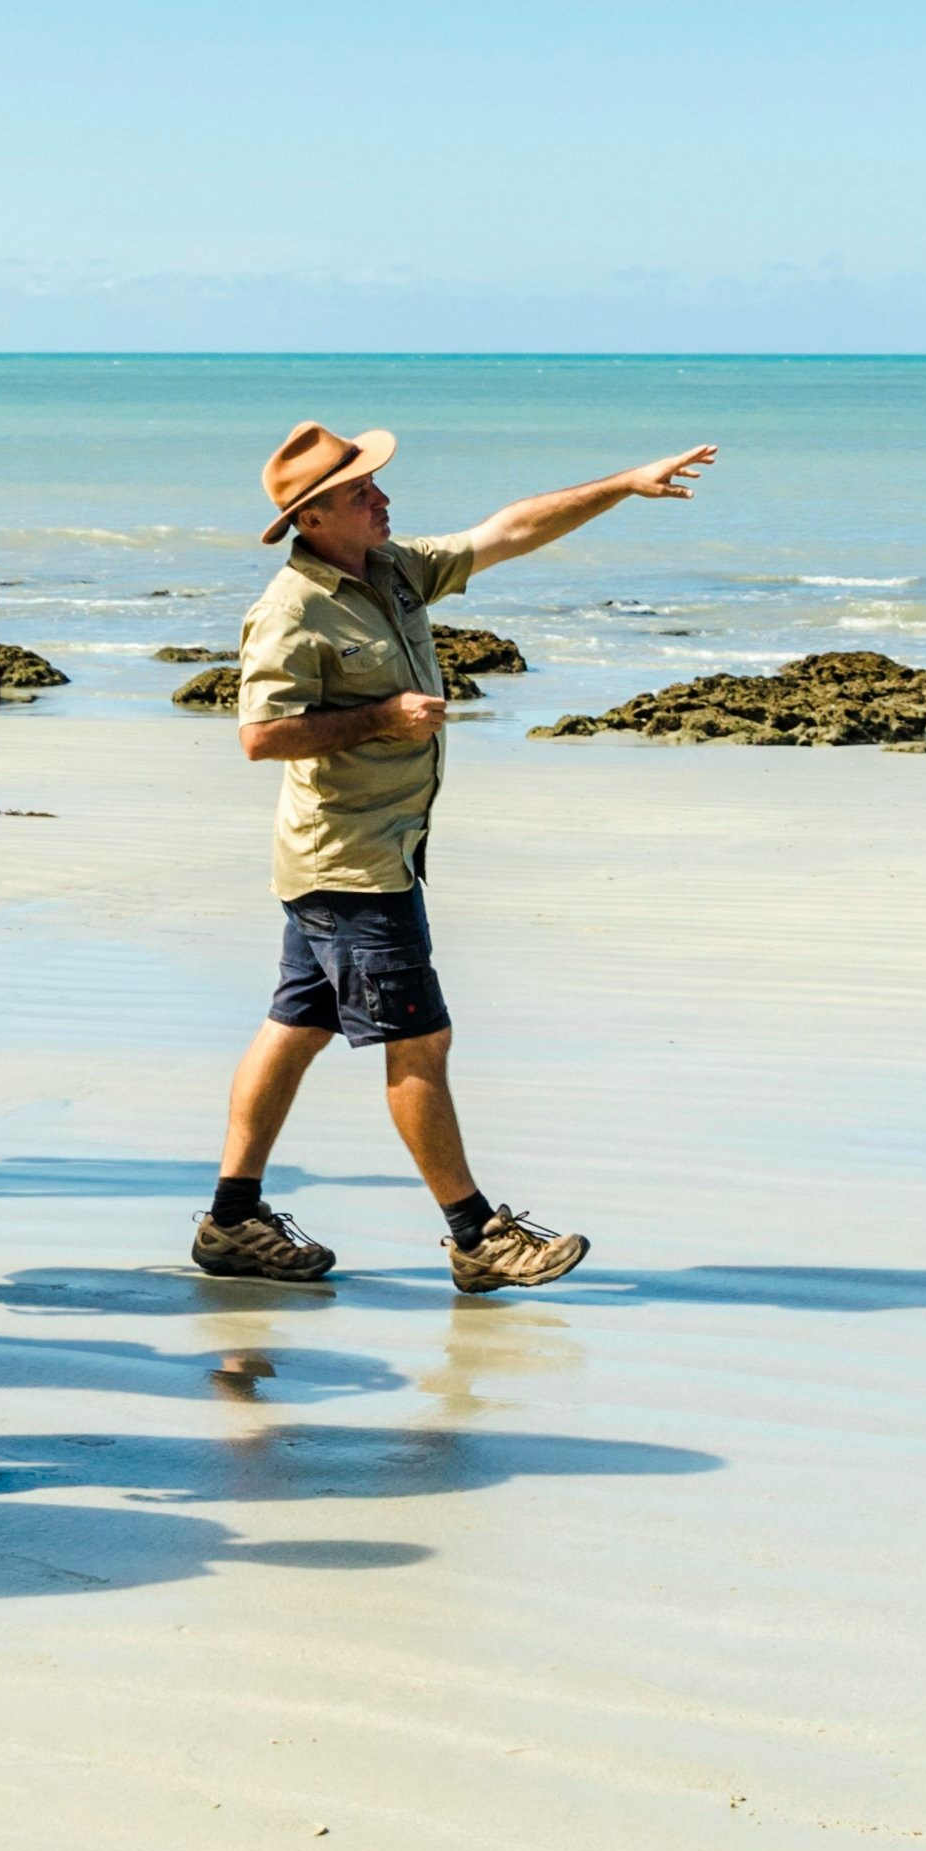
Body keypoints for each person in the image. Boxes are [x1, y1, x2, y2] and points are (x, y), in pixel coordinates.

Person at [197, 420, 721, 1297]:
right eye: (365, 491)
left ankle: (234, 1218)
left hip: (368, 854)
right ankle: (476, 1234)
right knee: (420, 1039)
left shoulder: (394, 568)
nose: (384, 498)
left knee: (297, 1025)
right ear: (317, 515)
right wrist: (381, 718)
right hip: (351, 862)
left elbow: (505, 531)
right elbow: (259, 736)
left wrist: (624, 481)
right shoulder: (291, 610)